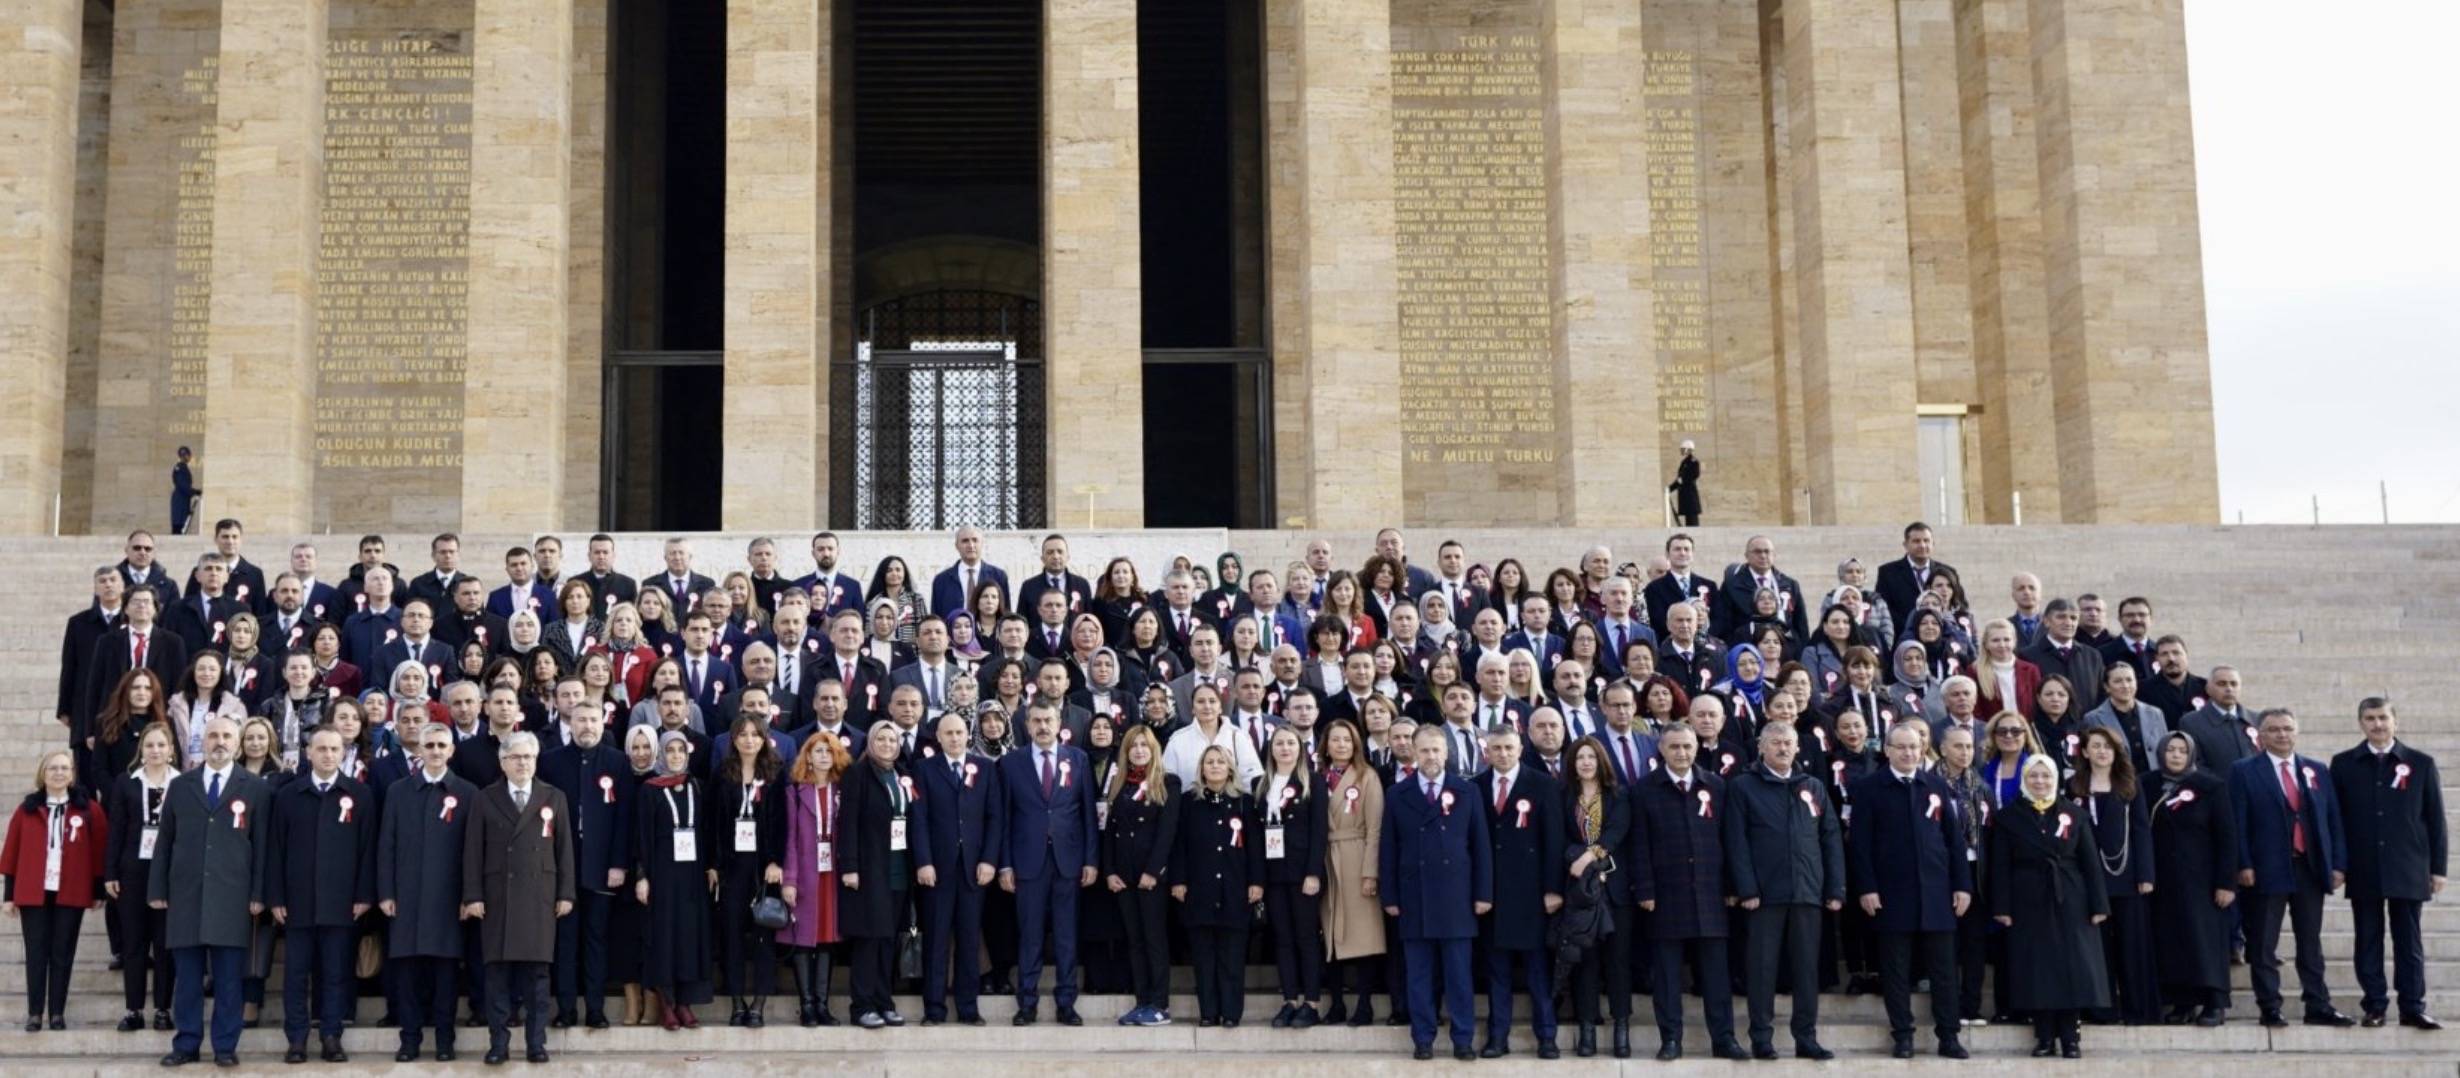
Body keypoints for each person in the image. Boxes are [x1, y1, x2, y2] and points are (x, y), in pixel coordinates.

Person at [149, 715, 272, 1068]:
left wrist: (259, 893)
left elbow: (262, 847)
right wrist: (158, 887)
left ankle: (224, 1045)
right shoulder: (182, 785)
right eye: (213, 735)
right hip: (186, 895)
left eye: (227, 736)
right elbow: (165, 842)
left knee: (229, 980)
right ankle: (186, 1043)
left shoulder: (256, 788)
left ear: (237, 742)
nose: (220, 741)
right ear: (203, 740)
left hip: (233, 898)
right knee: (186, 978)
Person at [1847, 722, 1974, 1058]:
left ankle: (1949, 1036)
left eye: (1914, 747)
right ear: (1887, 750)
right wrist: (1867, 888)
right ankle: (1903, 1035)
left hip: (1937, 893)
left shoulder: (1935, 785)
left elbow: (1954, 840)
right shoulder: (1870, 788)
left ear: (1922, 750)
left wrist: (1962, 885)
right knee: (1896, 970)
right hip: (1891, 894)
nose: (1908, 753)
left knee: (1944, 971)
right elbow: (1859, 846)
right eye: (1901, 747)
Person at [2229, 707, 2354, 1028]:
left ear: (2296, 732)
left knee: (2310, 941)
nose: (2282, 734)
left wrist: (2337, 863)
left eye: (2287, 728)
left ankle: (2318, 1004)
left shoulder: (2315, 769)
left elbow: (2332, 819)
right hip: (2265, 868)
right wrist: (2243, 863)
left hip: (2309, 868)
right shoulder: (2243, 771)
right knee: (2263, 943)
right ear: (2260, 735)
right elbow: (2237, 822)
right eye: (2273, 729)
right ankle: (2269, 1005)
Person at [1724, 722, 1842, 1061]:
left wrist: (1835, 887)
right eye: (1775, 743)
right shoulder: (1744, 786)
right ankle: (1761, 1036)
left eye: (1788, 743)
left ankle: (1806, 1037)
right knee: (1762, 968)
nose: (1783, 748)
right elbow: (1737, 842)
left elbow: (1830, 838)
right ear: (1761, 747)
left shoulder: (1813, 786)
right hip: (1764, 894)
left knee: (1806, 968)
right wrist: (1746, 887)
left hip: (1807, 891)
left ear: (1797, 748)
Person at [2330, 698, 2446, 1029]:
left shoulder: (2421, 763)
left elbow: (2435, 819)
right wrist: (2339, 863)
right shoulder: (2344, 764)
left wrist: (2437, 868)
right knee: (2367, 938)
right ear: (2360, 723)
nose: (2377, 724)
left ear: (2395, 721)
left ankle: (2412, 1006)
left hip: (2408, 866)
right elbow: (2336, 819)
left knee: (2408, 941)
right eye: (2370, 718)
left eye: (2383, 717)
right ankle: (2375, 1005)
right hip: (2364, 864)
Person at [1631, 724, 1746, 1060]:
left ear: (1697, 748)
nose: (1682, 753)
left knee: (1716, 974)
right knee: (1666, 976)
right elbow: (1639, 844)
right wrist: (1645, 889)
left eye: (1687, 746)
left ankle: (1723, 1039)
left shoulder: (1717, 786)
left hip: (1711, 893)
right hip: (1665, 894)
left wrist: (1731, 886)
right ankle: (1671, 1039)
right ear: (1662, 750)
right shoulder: (1644, 790)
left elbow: (1730, 840)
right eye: (1675, 747)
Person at [1379, 724, 1493, 1061]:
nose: (1430, 756)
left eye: (1436, 750)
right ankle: (1423, 1038)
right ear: (1414, 753)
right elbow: (1388, 849)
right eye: (1424, 750)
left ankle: (1462, 1039)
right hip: (1414, 896)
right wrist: (1390, 896)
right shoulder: (1397, 794)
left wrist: (1483, 893)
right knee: (1419, 975)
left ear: (1447, 753)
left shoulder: (1467, 791)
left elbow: (1481, 846)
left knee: (1459, 975)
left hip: (1457, 896)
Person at [462, 731, 575, 1065]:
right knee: (496, 978)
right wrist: (473, 895)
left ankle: (535, 1044)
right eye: (516, 757)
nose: (523, 762)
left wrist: (566, 892)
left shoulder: (553, 797)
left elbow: (564, 849)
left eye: (528, 757)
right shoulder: (485, 798)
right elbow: (472, 852)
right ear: (503, 762)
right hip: (498, 898)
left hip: (539, 897)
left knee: (537, 980)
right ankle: (498, 1044)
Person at [264, 727, 376, 1063]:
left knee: (335, 973)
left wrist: (364, 894)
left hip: (342, 903)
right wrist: (276, 897)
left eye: (334, 749)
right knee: (296, 975)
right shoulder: (288, 795)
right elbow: (275, 850)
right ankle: (297, 1039)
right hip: (297, 903)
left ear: (343, 753)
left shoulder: (359, 794)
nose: (328, 755)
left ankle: (331, 1036)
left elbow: (368, 849)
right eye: (321, 749)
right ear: (308, 753)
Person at [1992, 755, 2111, 1058]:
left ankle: (2071, 1037)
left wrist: (2099, 903)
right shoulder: (2008, 817)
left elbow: (2090, 862)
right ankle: (2044, 1036)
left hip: (2071, 898)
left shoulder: (2074, 813)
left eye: (2046, 777)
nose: (2040, 782)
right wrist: (2002, 906)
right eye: (2034, 777)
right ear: (2025, 780)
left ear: (2055, 779)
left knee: (2072, 967)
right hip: (2028, 899)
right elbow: (2000, 866)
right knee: (2038, 969)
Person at [377, 722, 478, 1061]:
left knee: (446, 976)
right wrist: (386, 892)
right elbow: (386, 844)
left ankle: (445, 1041)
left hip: (448, 901)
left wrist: (469, 895)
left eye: (441, 745)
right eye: (429, 745)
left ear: (451, 750)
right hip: (406, 898)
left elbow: (473, 850)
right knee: (406, 976)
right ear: (418, 751)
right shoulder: (398, 791)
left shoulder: (467, 793)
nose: (435, 751)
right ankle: (409, 1040)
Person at [997, 700, 1098, 1025]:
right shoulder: (1011, 763)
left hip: (1068, 862)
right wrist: (1005, 865)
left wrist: (1091, 860)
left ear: (1059, 724)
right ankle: (1027, 1003)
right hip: (1027, 862)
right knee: (1030, 935)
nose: (1042, 726)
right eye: (1036, 721)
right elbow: (1004, 818)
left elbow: (1087, 815)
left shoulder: (1078, 759)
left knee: (1067, 935)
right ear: (1027, 726)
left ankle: (1066, 1002)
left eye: (1048, 720)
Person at [3, 750, 108, 1033]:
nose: (59, 773)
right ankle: (35, 1012)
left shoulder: (88, 809)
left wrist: (98, 889)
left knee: (63, 952)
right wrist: (9, 895)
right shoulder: (27, 809)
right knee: (36, 952)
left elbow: (99, 851)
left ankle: (57, 1012)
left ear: (72, 774)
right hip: (33, 891)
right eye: (52, 768)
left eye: (64, 768)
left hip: (70, 891)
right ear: (43, 773)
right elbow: (12, 851)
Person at [1474, 725, 1563, 1057]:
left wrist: (1553, 889)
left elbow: (1553, 841)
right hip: (1492, 894)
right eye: (1496, 748)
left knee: (1538, 971)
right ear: (1487, 752)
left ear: (1520, 748)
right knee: (1497, 971)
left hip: (1531, 893)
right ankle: (1498, 1037)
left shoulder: (1542, 785)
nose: (1502, 754)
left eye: (1509, 748)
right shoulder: (1476, 787)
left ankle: (1547, 1037)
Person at [840, 722, 932, 1029]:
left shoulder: (903, 774)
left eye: (892, 739)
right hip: (869, 869)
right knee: (869, 940)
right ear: (870, 742)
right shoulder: (858, 774)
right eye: (881, 737)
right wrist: (849, 866)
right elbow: (848, 822)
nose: (887, 743)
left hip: (899, 869)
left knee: (889, 939)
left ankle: (884, 1001)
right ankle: (862, 1006)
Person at [2146, 730, 2238, 1026]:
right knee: (2173, 941)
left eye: (2181, 751)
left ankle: (2214, 1002)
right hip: (2163, 879)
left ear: (2191, 755)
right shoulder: (2147, 785)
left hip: (2203, 880)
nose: (2175, 755)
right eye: (2170, 750)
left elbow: (2226, 837)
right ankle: (2183, 1001)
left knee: (2204, 940)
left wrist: (2226, 882)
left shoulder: (2210, 786)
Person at [915, 711, 1001, 1026]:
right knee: (936, 940)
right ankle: (934, 1009)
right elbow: (920, 819)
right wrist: (923, 861)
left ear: (968, 735)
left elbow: (995, 818)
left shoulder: (986, 768)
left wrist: (990, 860)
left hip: (974, 870)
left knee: (968, 940)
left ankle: (968, 1008)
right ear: (938, 737)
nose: (954, 738)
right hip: (937, 870)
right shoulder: (924, 769)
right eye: (948, 733)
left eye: (959, 732)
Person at [2072, 725, 2158, 1025]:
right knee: (2099, 947)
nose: (2102, 751)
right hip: (2088, 879)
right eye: (2095, 745)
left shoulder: (2130, 785)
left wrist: (2146, 874)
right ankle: (2102, 1009)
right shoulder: (2074, 786)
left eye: (2108, 746)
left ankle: (2139, 1009)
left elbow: (2142, 830)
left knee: (2132, 944)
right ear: (2084, 751)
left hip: (2127, 874)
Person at [633, 730, 716, 1029]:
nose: (677, 756)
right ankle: (666, 1005)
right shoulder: (649, 790)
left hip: (692, 874)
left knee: (689, 937)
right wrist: (642, 876)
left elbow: (707, 831)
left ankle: (685, 1003)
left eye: (681, 750)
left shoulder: (697, 786)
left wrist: (712, 867)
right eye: (670, 751)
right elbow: (641, 837)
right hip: (663, 873)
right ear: (661, 755)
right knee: (665, 936)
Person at [1175, 745, 1262, 1027]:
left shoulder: (1244, 803)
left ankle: (1231, 1013)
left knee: (1232, 957)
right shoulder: (1189, 802)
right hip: (1199, 890)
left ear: (1230, 768)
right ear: (1201, 768)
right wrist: (1178, 879)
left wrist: (1256, 882)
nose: (1214, 766)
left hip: (1235, 889)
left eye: (1220, 762)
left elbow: (1256, 848)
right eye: (1209, 762)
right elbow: (1179, 844)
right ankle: (1208, 1012)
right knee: (1204, 957)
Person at [1099, 723, 1178, 1026]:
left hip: (1150, 877)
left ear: (1154, 749)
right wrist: (1110, 871)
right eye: (1134, 746)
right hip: (1124, 875)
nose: (1139, 750)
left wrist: (1153, 871)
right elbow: (1110, 832)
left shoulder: (1167, 783)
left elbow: (1167, 833)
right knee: (1135, 940)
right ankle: (1142, 1000)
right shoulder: (1120, 785)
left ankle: (1160, 1003)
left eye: (1144, 745)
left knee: (1154, 938)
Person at [1559, 736, 1631, 1058]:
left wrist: (1588, 857)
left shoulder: (1618, 795)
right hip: (1580, 893)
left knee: (1618, 961)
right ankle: (1587, 1028)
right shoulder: (1563, 796)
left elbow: (1616, 833)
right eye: (1580, 758)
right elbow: (1560, 836)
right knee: (1585, 961)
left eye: (1591, 757)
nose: (1586, 762)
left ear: (1601, 761)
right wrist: (1577, 861)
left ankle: (1621, 1028)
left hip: (1613, 889)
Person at [712, 717, 786, 1027]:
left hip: (763, 867)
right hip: (731, 867)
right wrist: (712, 864)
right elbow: (712, 822)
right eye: (742, 735)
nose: (749, 740)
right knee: (731, 935)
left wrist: (776, 861)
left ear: (764, 739)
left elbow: (784, 820)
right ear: (733, 739)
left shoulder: (774, 774)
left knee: (763, 934)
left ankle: (758, 1003)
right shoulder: (722, 773)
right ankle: (736, 1001)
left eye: (755, 735)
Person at [105, 723, 177, 1033]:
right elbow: (116, 830)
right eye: (150, 745)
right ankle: (133, 1009)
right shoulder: (126, 782)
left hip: (170, 874)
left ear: (171, 750)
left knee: (164, 945)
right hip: (132, 873)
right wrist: (110, 872)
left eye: (161, 745)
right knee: (134, 944)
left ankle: (162, 1008)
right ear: (141, 750)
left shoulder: (184, 782)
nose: (156, 750)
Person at [778, 731, 847, 1027]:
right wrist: (789, 880)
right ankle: (806, 1005)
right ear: (807, 755)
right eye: (817, 751)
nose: (823, 756)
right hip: (805, 872)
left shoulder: (841, 790)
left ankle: (822, 1003)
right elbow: (790, 840)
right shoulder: (794, 791)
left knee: (827, 937)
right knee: (804, 938)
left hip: (832, 872)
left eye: (828, 752)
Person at [1667, 439, 1701, 526]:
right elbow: (1679, 479)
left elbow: (1695, 474)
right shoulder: (1684, 462)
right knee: (1688, 520)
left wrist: (1683, 480)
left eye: (1683, 449)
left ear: (1688, 449)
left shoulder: (1693, 461)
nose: (1681, 451)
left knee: (1692, 520)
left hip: (1690, 494)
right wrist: (1669, 489)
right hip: (1685, 494)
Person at [169, 447, 197, 535]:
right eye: (188, 455)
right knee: (179, 524)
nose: (189, 457)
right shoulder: (180, 467)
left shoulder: (183, 467)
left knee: (182, 524)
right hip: (180, 499)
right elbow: (182, 485)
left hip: (183, 498)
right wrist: (195, 491)